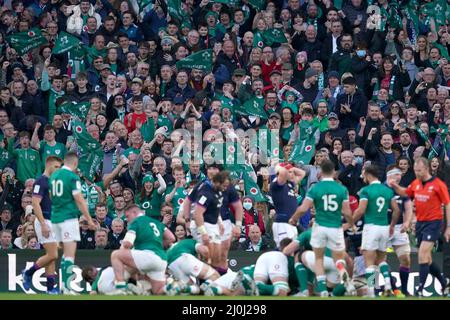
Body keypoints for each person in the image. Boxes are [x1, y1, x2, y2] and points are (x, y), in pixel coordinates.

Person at [289, 160, 355, 296]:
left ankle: (323, 289)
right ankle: (347, 281)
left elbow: (303, 208)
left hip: (320, 227)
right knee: (339, 260)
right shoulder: (342, 189)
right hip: (335, 228)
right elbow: (347, 212)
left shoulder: (315, 188)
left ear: (320, 172)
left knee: (319, 259)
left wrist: (294, 218)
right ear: (334, 172)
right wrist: (350, 224)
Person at [388, 157, 450, 297]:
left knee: (422, 255)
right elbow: (406, 194)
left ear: (427, 169)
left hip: (433, 223)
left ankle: (420, 289)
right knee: (427, 259)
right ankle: (443, 283)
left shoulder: (438, 184)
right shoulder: (415, 183)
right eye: (415, 170)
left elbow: (447, 204)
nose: (417, 173)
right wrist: (396, 186)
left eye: (419, 171)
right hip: (421, 224)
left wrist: (448, 227)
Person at [48, 151, 96, 295]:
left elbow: (51, 196)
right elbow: (80, 200)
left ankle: (63, 285)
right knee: (69, 255)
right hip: (68, 218)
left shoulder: (53, 175)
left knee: (63, 254)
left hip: (55, 218)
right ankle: (67, 288)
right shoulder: (72, 177)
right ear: (75, 163)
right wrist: (89, 219)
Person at [353, 165, 401, 298]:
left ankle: (371, 291)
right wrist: (392, 225)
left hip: (371, 227)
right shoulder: (387, 190)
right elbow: (396, 210)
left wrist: (350, 222)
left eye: (363, 174)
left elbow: (361, 210)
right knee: (381, 260)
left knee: (369, 261)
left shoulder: (366, 190)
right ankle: (387, 286)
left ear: (368, 174)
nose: (362, 177)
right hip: (384, 227)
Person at [110, 204, 175, 295]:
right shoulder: (156, 222)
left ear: (135, 212)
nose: (127, 220)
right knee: (158, 291)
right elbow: (171, 238)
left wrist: (123, 251)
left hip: (148, 256)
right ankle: (176, 287)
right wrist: (157, 244)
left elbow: (127, 244)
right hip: (162, 260)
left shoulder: (136, 222)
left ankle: (121, 288)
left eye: (128, 216)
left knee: (115, 255)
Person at [22, 156, 63, 294]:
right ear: (49, 165)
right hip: (44, 221)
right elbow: (35, 203)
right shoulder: (41, 181)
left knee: (50, 256)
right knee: (53, 254)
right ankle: (28, 273)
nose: (58, 170)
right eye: (56, 167)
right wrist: (43, 223)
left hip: (52, 220)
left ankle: (50, 289)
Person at [269, 162, 305, 248]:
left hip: (291, 223)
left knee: (291, 250)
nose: (292, 174)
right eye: (289, 172)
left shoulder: (289, 184)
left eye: (292, 172)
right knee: (284, 249)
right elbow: (282, 173)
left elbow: (302, 173)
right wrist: (281, 168)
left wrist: (291, 168)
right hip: (282, 223)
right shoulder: (277, 184)